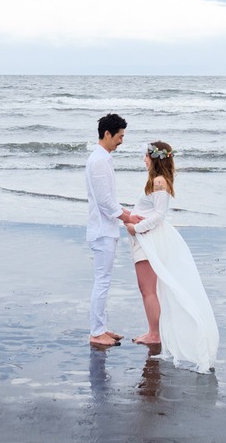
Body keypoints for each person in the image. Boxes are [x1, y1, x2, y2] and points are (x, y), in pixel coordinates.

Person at [126, 141, 219, 373]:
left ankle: (154, 334)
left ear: (155, 158)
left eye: (146, 156)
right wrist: (128, 217)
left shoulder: (159, 182)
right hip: (144, 238)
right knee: (147, 289)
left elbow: (158, 215)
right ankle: (154, 331)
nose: (144, 159)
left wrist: (135, 228)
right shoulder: (155, 181)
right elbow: (149, 212)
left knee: (147, 289)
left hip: (148, 239)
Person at [86, 113, 142, 348]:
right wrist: (129, 217)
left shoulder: (103, 159)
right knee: (102, 281)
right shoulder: (99, 161)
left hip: (105, 228)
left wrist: (128, 214)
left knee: (104, 281)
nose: (121, 141)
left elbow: (109, 200)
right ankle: (96, 332)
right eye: (119, 136)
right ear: (107, 134)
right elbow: (105, 202)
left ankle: (101, 327)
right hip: (102, 230)